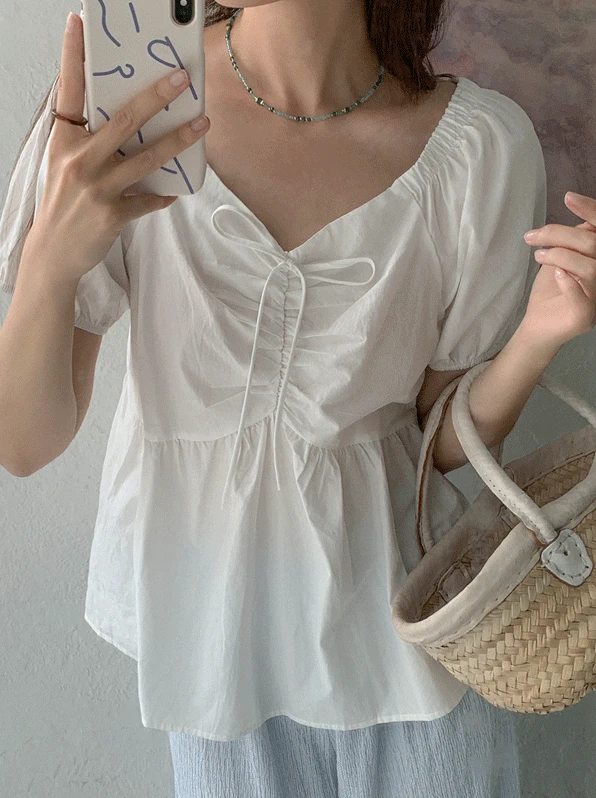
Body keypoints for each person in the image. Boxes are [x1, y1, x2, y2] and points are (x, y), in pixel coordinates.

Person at [0, 1, 551, 795]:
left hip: (410, 641)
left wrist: (541, 336)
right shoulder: (132, 100)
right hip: (210, 646)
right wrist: (51, 259)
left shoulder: (482, 147)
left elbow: (440, 443)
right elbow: (23, 443)